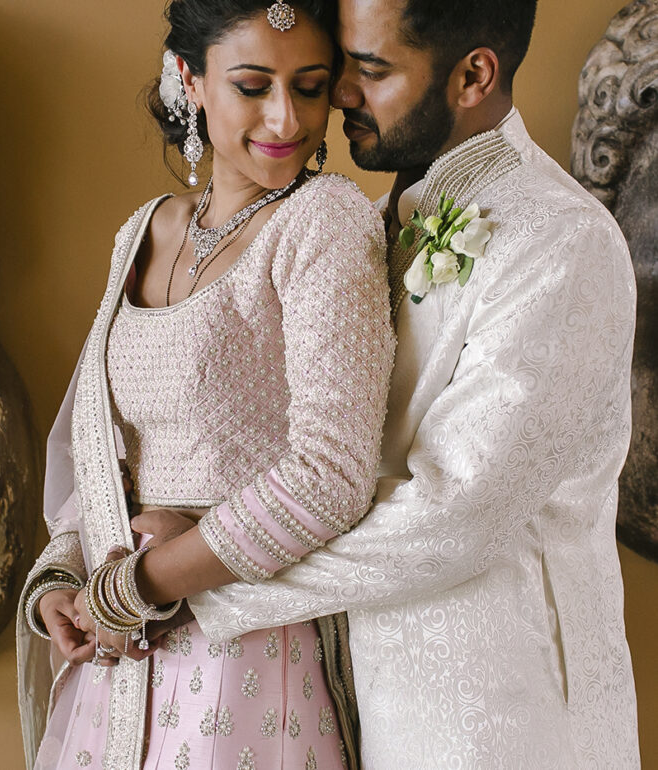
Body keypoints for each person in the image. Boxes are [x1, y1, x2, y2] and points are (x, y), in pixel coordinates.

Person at [170, 0, 642, 767]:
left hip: (504, 720)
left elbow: (455, 513)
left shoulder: (562, 242)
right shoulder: (369, 220)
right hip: (355, 704)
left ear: (473, 75)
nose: (340, 93)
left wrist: (204, 588)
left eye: (372, 69)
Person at [16, 1, 395, 769]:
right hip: (119, 649)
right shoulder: (144, 229)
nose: (286, 117)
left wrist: (141, 582)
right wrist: (66, 570)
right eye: (252, 86)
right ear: (189, 80)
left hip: (245, 647)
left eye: (311, 86)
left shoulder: (323, 223)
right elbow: (102, 441)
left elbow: (332, 476)